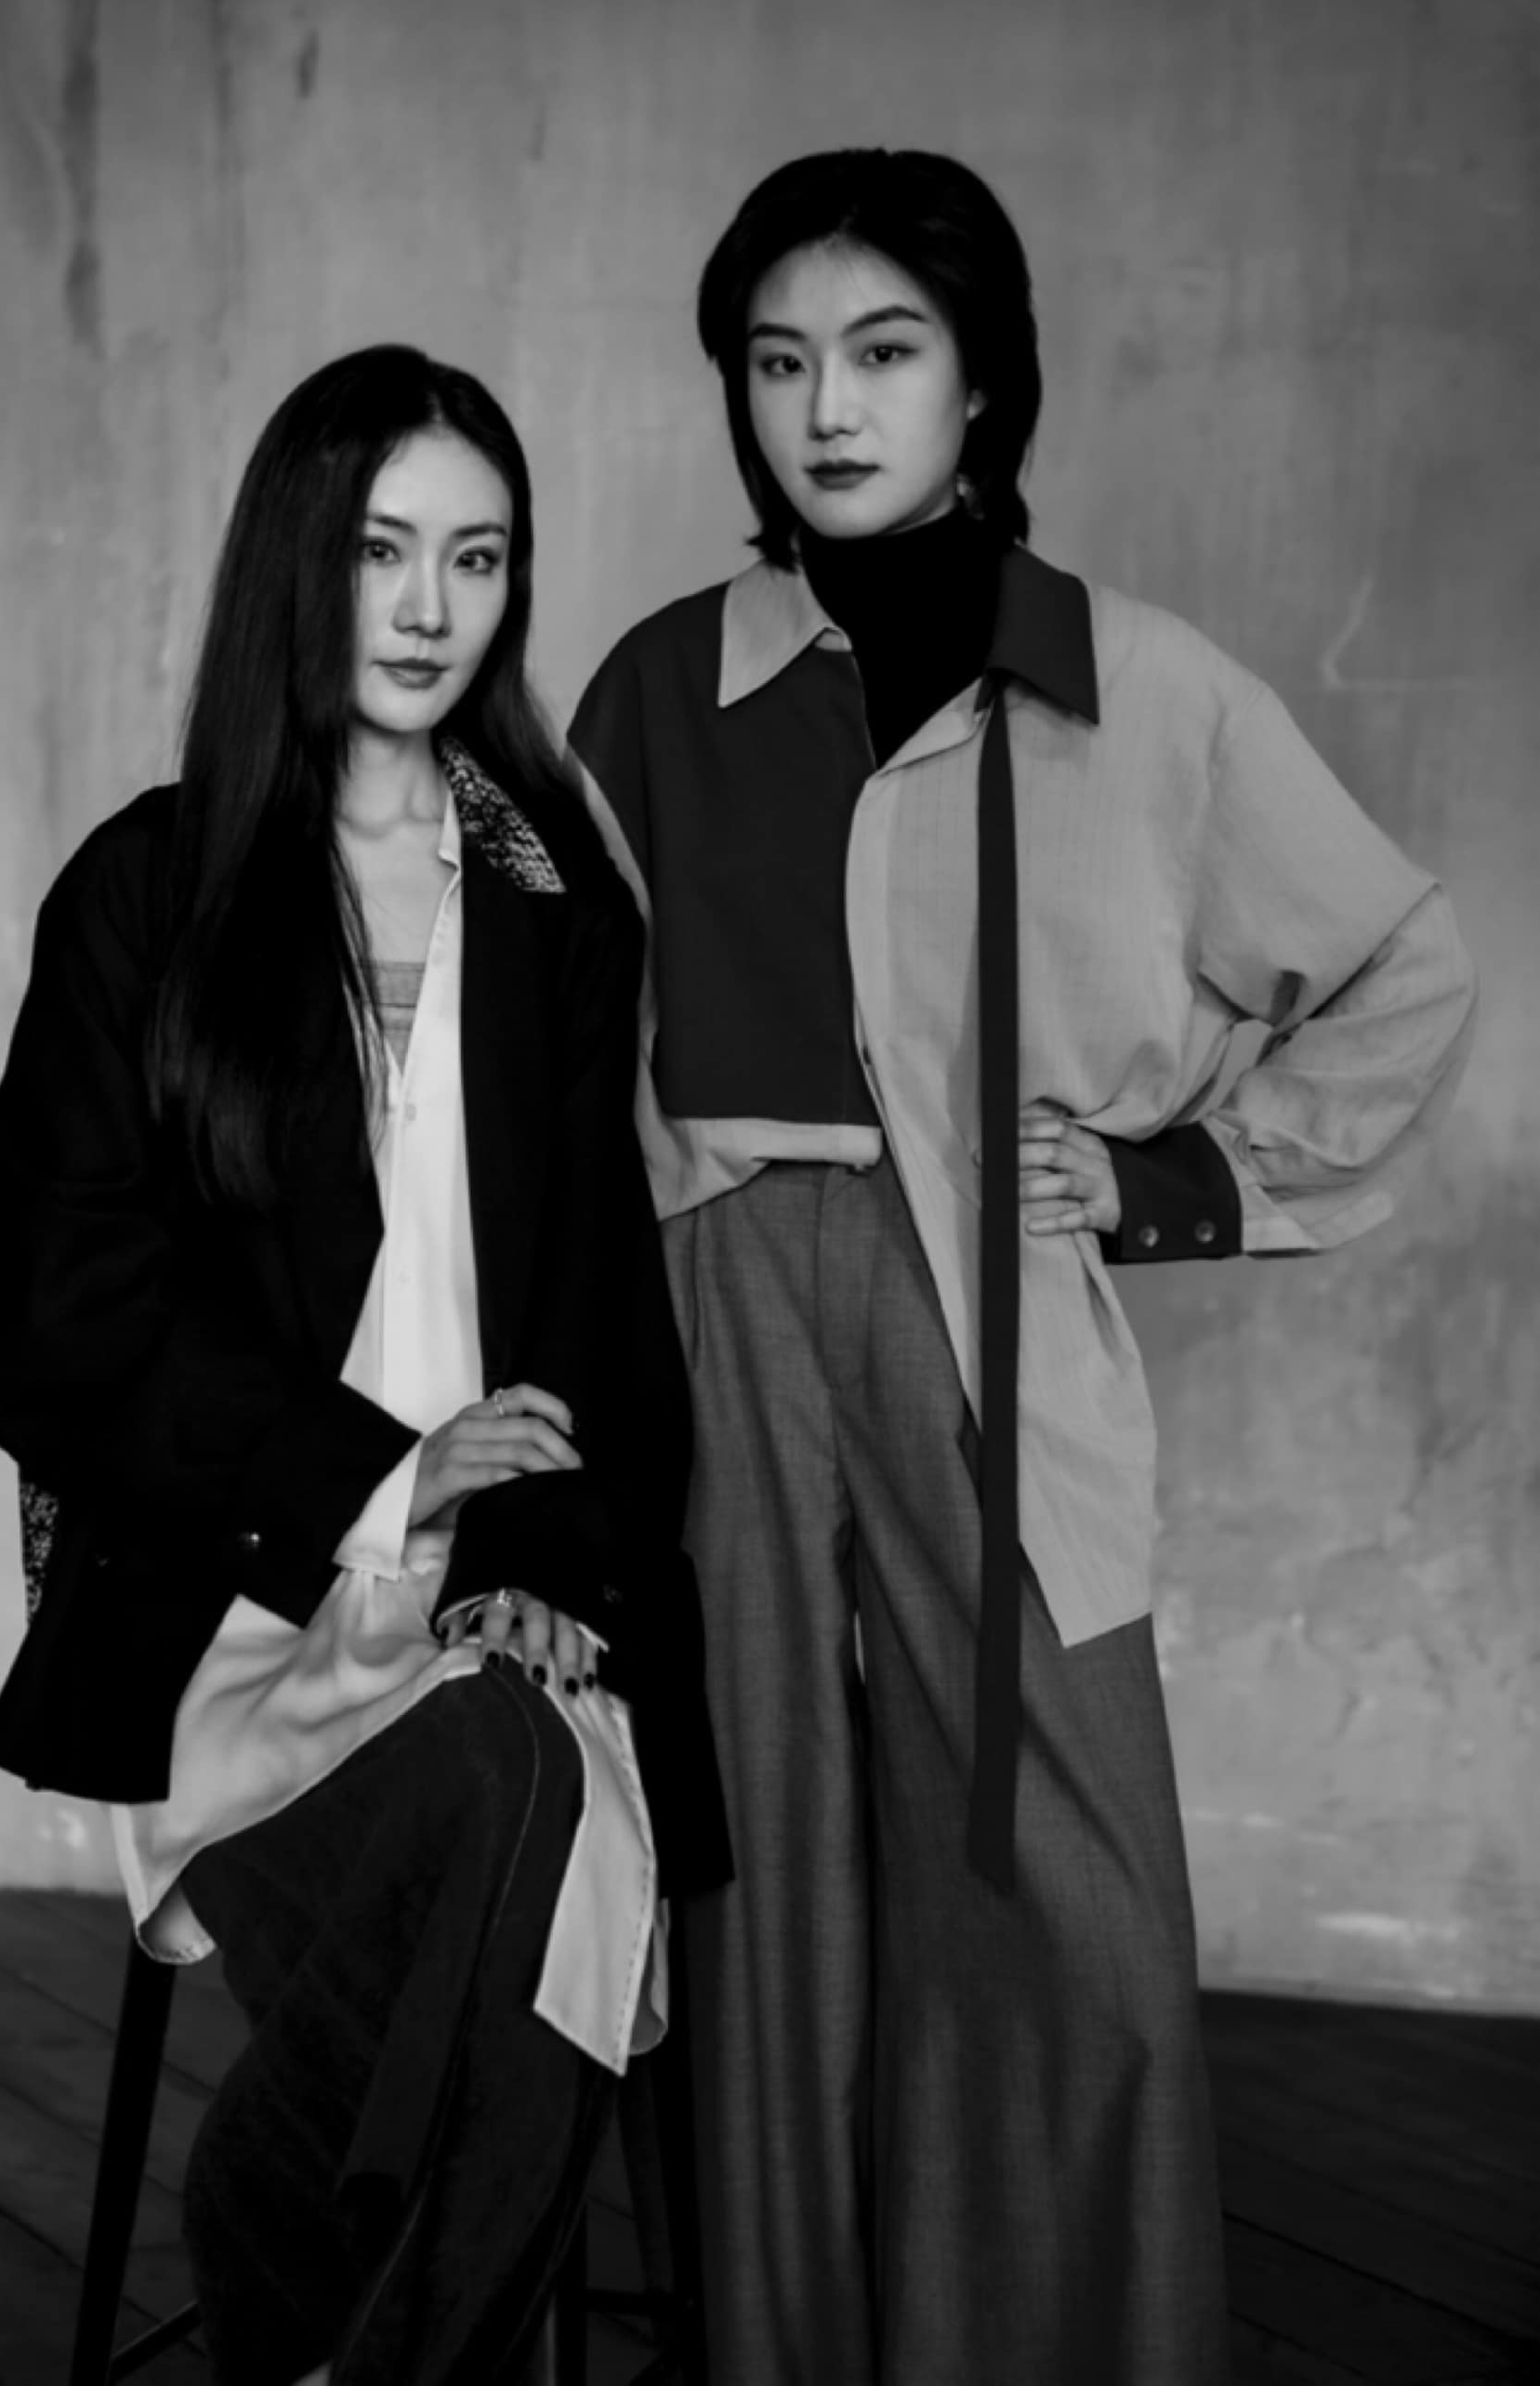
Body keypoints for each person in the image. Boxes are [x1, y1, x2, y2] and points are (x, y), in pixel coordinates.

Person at [567, 149, 1476, 2386]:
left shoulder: (1133, 684)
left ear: (984, 384)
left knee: (1069, 1895)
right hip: (717, 1302)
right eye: (777, 360)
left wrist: (1178, 1178)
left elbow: (1401, 965)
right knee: (760, 1875)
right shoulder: (659, 688)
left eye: (884, 352)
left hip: (986, 1315)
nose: (827, 408)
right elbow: (558, 1056)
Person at [0, 345, 729, 2386]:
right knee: (524, 1844)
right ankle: (343, 2294)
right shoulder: (150, 888)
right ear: (295, 562)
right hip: (234, 1611)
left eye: (477, 558)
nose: (427, 607)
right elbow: (56, 1329)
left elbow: (597, 1308)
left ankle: (300, 2301)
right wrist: (391, 1475)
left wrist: (543, 1565)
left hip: (498, 1608)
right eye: (383, 550)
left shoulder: (551, 890)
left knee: (515, 1774)